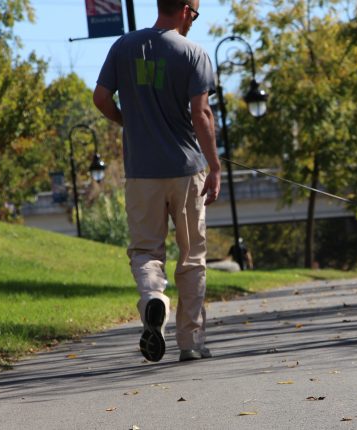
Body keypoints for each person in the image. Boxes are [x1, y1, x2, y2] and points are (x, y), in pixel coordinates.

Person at [92, 0, 220, 363]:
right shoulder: (194, 53)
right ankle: (191, 342)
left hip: (141, 172)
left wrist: (128, 122)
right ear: (183, 9)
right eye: (194, 14)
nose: (193, 21)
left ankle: (153, 300)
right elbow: (201, 113)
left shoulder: (123, 46)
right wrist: (215, 166)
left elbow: (101, 98)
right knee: (192, 256)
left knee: (146, 251)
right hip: (186, 169)